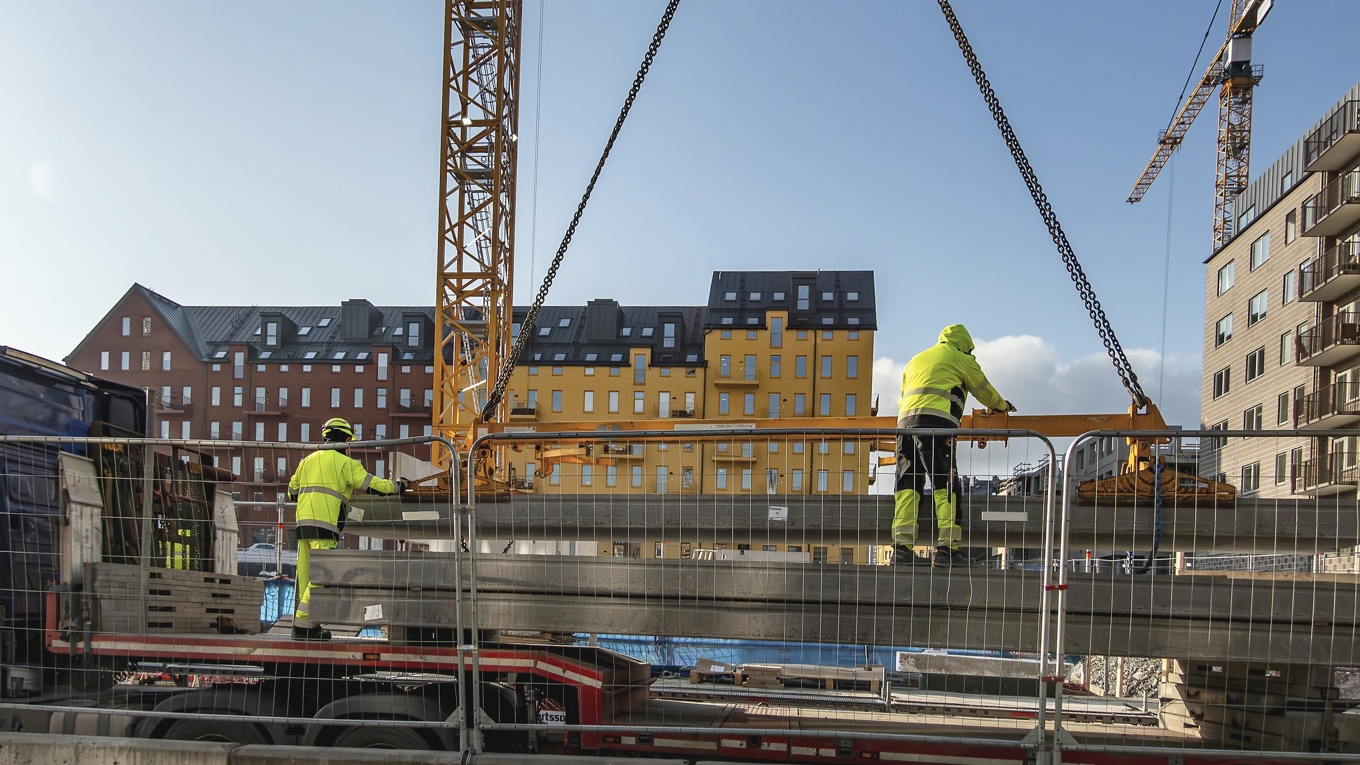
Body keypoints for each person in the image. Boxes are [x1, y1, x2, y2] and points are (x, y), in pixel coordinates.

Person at [894, 324, 1014, 568]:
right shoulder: (961, 358)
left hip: (905, 425)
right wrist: (1002, 406)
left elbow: (903, 395)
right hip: (936, 424)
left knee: (908, 484)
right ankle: (948, 551)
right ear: (965, 345)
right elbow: (984, 390)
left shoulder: (917, 359)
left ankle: (901, 551)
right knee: (945, 484)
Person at [287, 417, 406, 640]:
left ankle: (305, 627)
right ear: (346, 439)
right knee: (322, 577)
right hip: (325, 525)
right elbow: (375, 486)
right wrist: (398, 486)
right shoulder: (346, 464)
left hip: (302, 523)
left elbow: (291, 492)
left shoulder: (307, 460)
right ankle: (304, 626)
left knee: (305, 577)